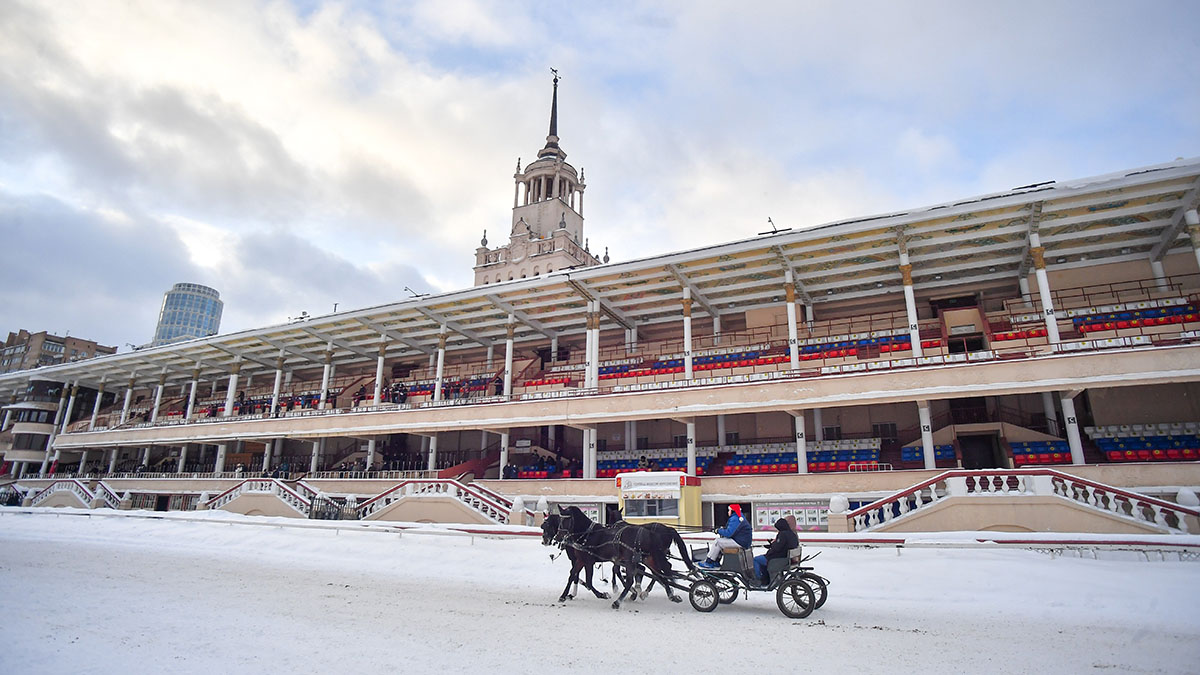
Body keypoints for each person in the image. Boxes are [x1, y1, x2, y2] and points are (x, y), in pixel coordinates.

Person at [699, 504, 752, 569]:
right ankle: (716, 561)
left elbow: (729, 533)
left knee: (718, 542)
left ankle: (708, 562)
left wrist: (718, 531)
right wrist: (722, 529)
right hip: (743, 542)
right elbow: (732, 530)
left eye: (729, 510)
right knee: (722, 541)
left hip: (740, 542)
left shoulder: (735, 519)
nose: (728, 512)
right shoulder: (739, 517)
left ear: (732, 511)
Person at [754, 517, 799, 585]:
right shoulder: (792, 534)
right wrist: (773, 544)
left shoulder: (783, 534)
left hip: (777, 558)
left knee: (756, 560)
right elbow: (781, 544)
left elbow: (777, 548)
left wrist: (772, 546)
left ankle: (758, 579)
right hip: (787, 557)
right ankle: (766, 579)